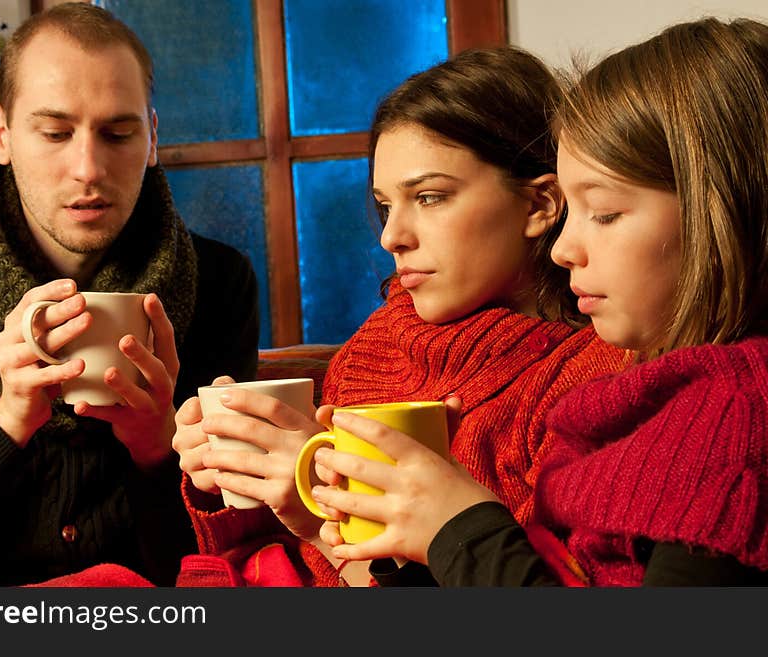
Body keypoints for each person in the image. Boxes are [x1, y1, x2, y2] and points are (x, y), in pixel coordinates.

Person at [310, 16, 768, 586]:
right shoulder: (653, 395)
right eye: (383, 206)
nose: (565, 248)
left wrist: (460, 527)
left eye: (602, 212)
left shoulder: (730, 416)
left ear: (720, 209)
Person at [172, 46, 632, 587]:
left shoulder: (592, 381)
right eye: (386, 206)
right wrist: (232, 471)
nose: (392, 236)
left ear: (539, 206)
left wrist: (322, 515)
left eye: (431, 197)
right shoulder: (384, 335)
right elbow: (287, 545)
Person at [0, 2, 258, 586]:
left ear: (153, 137)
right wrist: (7, 421)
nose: (88, 167)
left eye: (117, 133)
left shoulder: (219, 283)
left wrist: (156, 449)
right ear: (2, 135)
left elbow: (220, 562)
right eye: (56, 132)